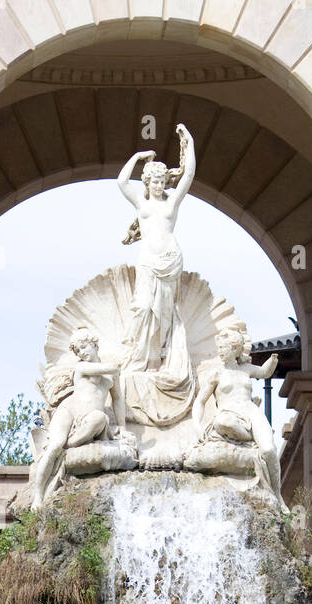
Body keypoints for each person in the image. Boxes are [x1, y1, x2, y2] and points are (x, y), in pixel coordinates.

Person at [116, 124, 196, 423]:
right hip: (148, 260)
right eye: (155, 180)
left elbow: (187, 177)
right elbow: (122, 182)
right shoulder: (142, 203)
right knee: (142, 308)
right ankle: (140, 358)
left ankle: (159, 360)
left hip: (171, 259)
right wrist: (138, 157)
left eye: (164, 180)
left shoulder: (172, 202)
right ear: (147, 182)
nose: (160, 184)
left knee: (164, 312)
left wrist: (188, 144)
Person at [32, 327, 131, 510]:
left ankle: (68, 447)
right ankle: (38, 497)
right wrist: (120, 364)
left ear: (94, 344)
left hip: (90, 417)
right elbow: (111, 367)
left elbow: (117, 399)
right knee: (54, 446)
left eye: (84, 347)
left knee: (99, 418)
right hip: (69, 411)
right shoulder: (82, 367)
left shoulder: (110, 374)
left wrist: (123, 428)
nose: (82, 353)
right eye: (78, 351)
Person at [192, 327, 287, 509]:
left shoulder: (246, 369)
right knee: (222, 422)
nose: (220, 351)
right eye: (219, 347)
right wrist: (197, 426)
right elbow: (200, 402)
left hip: (251, 413)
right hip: (230, 415)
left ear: (235, 349)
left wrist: (273, 359)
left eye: (224, 347)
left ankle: (277, 494)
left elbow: (265, 372)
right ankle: (250, 447)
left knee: (268, 450)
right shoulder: (216, 374)